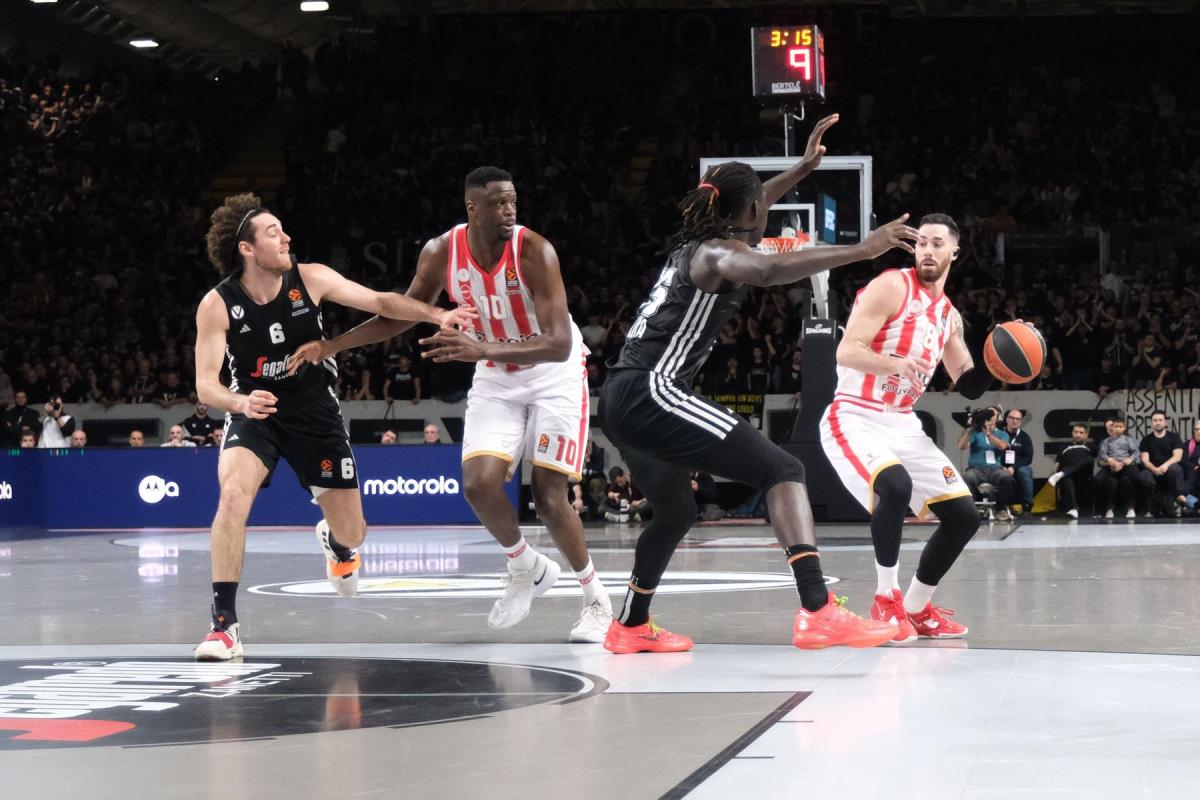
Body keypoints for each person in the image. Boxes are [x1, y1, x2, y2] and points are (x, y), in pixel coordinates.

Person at [598, 115, 911, 653]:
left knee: (676, 511)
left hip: (621, 395)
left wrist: (804, 169)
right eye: (760, 204)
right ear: (750, 215)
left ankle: (629, 625)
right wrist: (864, 250)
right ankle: (818, 609)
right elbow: (765, 272)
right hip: (653, 389)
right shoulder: (717, 252)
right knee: (783, 469)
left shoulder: (697, 244)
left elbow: (755, 200)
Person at [289, 167, 612, 643]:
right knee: (478, 485)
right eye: (498, 203)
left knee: (548, 496)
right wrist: (331, 346)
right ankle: (525, 566)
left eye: (513, 201)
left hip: (553, 374)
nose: (509, 211)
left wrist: (481, 349)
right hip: (497, 373)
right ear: (472, 208)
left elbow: (560, 343)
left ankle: (596, 599)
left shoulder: (535, 251)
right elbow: (399, 314)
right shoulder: (441, 252)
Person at [192, 192, 475, 660]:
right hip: (256, 412)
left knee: (353, 532)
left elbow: (381, 301)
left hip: (315, 412)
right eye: (273, 233)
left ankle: (336, 542)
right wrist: (240, 402)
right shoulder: (217, 304)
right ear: (247, 248)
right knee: (233, 496)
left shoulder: (312, 278)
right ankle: (224, 626)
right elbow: (206, 385)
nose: (286, 238)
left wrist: (437, 314)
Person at [821, 213, 993, 643]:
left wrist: (999, 361)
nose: (927, 251)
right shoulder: (892, 285)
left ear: (955, 252)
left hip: (902, 422)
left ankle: (916, 608)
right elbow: (847, 351)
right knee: (894, 487)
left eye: (937, 243)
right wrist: (894, 364)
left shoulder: (948, 315)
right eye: (921, 243)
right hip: (856, 413)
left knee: (964, 517)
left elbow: (968, 384)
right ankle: (885, 598)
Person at [958, 407, 1015, 521]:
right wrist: (969, 430)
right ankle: (969, 511)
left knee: (1006, 478)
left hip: (995, 469)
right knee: (967, 478)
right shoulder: (975, 432)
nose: (989, 416)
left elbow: (1002, 446)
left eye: (992, 414)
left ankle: (1001, 509)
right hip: (976, 469)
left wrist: (988, 434)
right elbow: (962, 446)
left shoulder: (1002, 433)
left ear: (998, 417)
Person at [1136, 411, 1186, 517]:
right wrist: (1154, 469)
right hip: (1152, 470)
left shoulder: (1174, 437)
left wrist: (1165, 465)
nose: (1158, 422)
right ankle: (1150, 508)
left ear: (1165, 422)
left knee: (1176, 469)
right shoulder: (1146, 440)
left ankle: (1179, 502)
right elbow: (1145, 460)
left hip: (1168, 469)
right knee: (1143, 476)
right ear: (1151, 423)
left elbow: (1177, 456)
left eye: (1160, 420)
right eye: (1155, 420)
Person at [1093, 418, 1140, 519]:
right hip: (1111, 465)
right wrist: (1110, 460)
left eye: (1120, 427)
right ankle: (1107, 509)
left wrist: (1128, 460)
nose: (1118, 429)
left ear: (1124, 428)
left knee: (1134, 477)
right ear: (1112, 428)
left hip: (1125, 465)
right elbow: (1102, 454)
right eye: (1116, 426)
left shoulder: (1128, 439)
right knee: (1097, 479)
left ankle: (1131, 508)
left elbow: (1136, 452)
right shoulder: (1107, 441)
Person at [1047, 425, 1094, 519]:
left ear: (1085, 435)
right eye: (1076, 432)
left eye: (1081, 433)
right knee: (1066, 477)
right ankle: (1073, 509)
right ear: (1072, 433)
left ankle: (1062, 473)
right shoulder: (1064, 447)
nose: (1078, 435)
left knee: (1089, 459)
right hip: (1069, 476)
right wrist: (1053, 473)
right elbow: (1057, 463)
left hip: (1084, 475)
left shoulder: (1089, 447)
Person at [1002, 408, 1035, 514]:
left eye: (1018, 419)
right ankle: (1002, 507)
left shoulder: (1025, 437)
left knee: (1025, 472)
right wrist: (1002, 467)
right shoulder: (999, 435)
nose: (1015, 421)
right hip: (1001, 467)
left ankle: (1027, 507)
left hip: (1018, 467)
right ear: (1007, 419)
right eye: (1012, 418)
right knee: (997, 473)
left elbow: (1028, 457)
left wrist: (1013, 467)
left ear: (1021, 421)